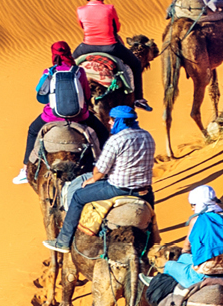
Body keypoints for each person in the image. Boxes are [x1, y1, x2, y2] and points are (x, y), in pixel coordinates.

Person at [43, 104, 155, 252]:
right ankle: (153, 244)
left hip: (117, 189)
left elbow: (100, 170)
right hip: (144, 191)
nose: (109, 122)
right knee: (150, 216)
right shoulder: (147, 136)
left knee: (78, 196)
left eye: (112, 120)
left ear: (119, 121)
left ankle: (63, 241)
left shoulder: (116, 140)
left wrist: (93, 179)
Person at [15, 42, 103, 184]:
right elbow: (86, 95)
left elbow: (42, 96)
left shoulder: (48, 72)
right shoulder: (79, 71)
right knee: (101, 131)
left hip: (51, 116)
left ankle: (25, 169)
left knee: (32, 131)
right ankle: (104, 165)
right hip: (79, 117)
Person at [76, 0, 150, 110]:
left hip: (86, 46)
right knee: (136, 65)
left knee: (68, 65)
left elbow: (82, 26)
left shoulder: (80, 10)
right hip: (110, 46)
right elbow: (117, 27)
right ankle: (138, 98)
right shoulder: (109, 8)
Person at [161, 185, 223, 287]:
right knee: (185, 258)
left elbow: (186, 247)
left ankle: (163, 289)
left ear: (199, 204)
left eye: (193, 205)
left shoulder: (197, 220)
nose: (192, 209)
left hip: (200, 276)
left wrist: (185, 252)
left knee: (169, 265)